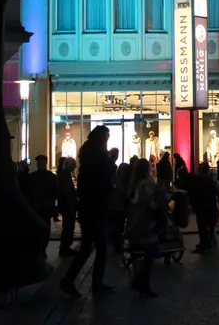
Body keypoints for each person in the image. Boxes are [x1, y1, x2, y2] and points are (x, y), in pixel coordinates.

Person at [61, 125, 115, 296]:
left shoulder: (88, 159)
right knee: (99, 247)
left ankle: (70, 280)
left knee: (88, 247)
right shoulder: (99, 159)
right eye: (106, 136)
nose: (107, 139)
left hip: (89, 208)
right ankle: (91, 282)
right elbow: (103, 182)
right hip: (96, 208)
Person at [124, 157, 169, 298]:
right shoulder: (146, 184)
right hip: (145, 224)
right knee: (151, 251)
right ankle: (141, 283)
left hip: (135, 224)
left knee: (145, 254)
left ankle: (140, 282)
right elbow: (151, 203)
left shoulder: (134, 183)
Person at [27, 155, 58, 257]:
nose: (40, 164)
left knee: (45, 230)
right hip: (38, 208)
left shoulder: (50, 177)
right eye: (39, 162)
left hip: (44, 208)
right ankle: (39, 250)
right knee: (39, 230)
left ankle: (42, 249)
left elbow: (55, 192)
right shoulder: (33, 177)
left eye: (42, 162)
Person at [189, 162, 219, 253]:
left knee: (202, 227)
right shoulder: (210, 180)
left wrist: (194, 205)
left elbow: (194, 193)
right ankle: (208, 244)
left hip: (202, 206)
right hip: (211, 205)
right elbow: (218, 191)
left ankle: (203, 245)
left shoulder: (198, 180)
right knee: (210, 226)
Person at [57, 157, 78, 257]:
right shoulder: (65, 176)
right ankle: (64, 248)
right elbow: (66, 192)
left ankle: (66, 247)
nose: (75, 167)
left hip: (68, 205)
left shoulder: (65, 175)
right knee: (68, 227)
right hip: (68, 206)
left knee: (68, 227)